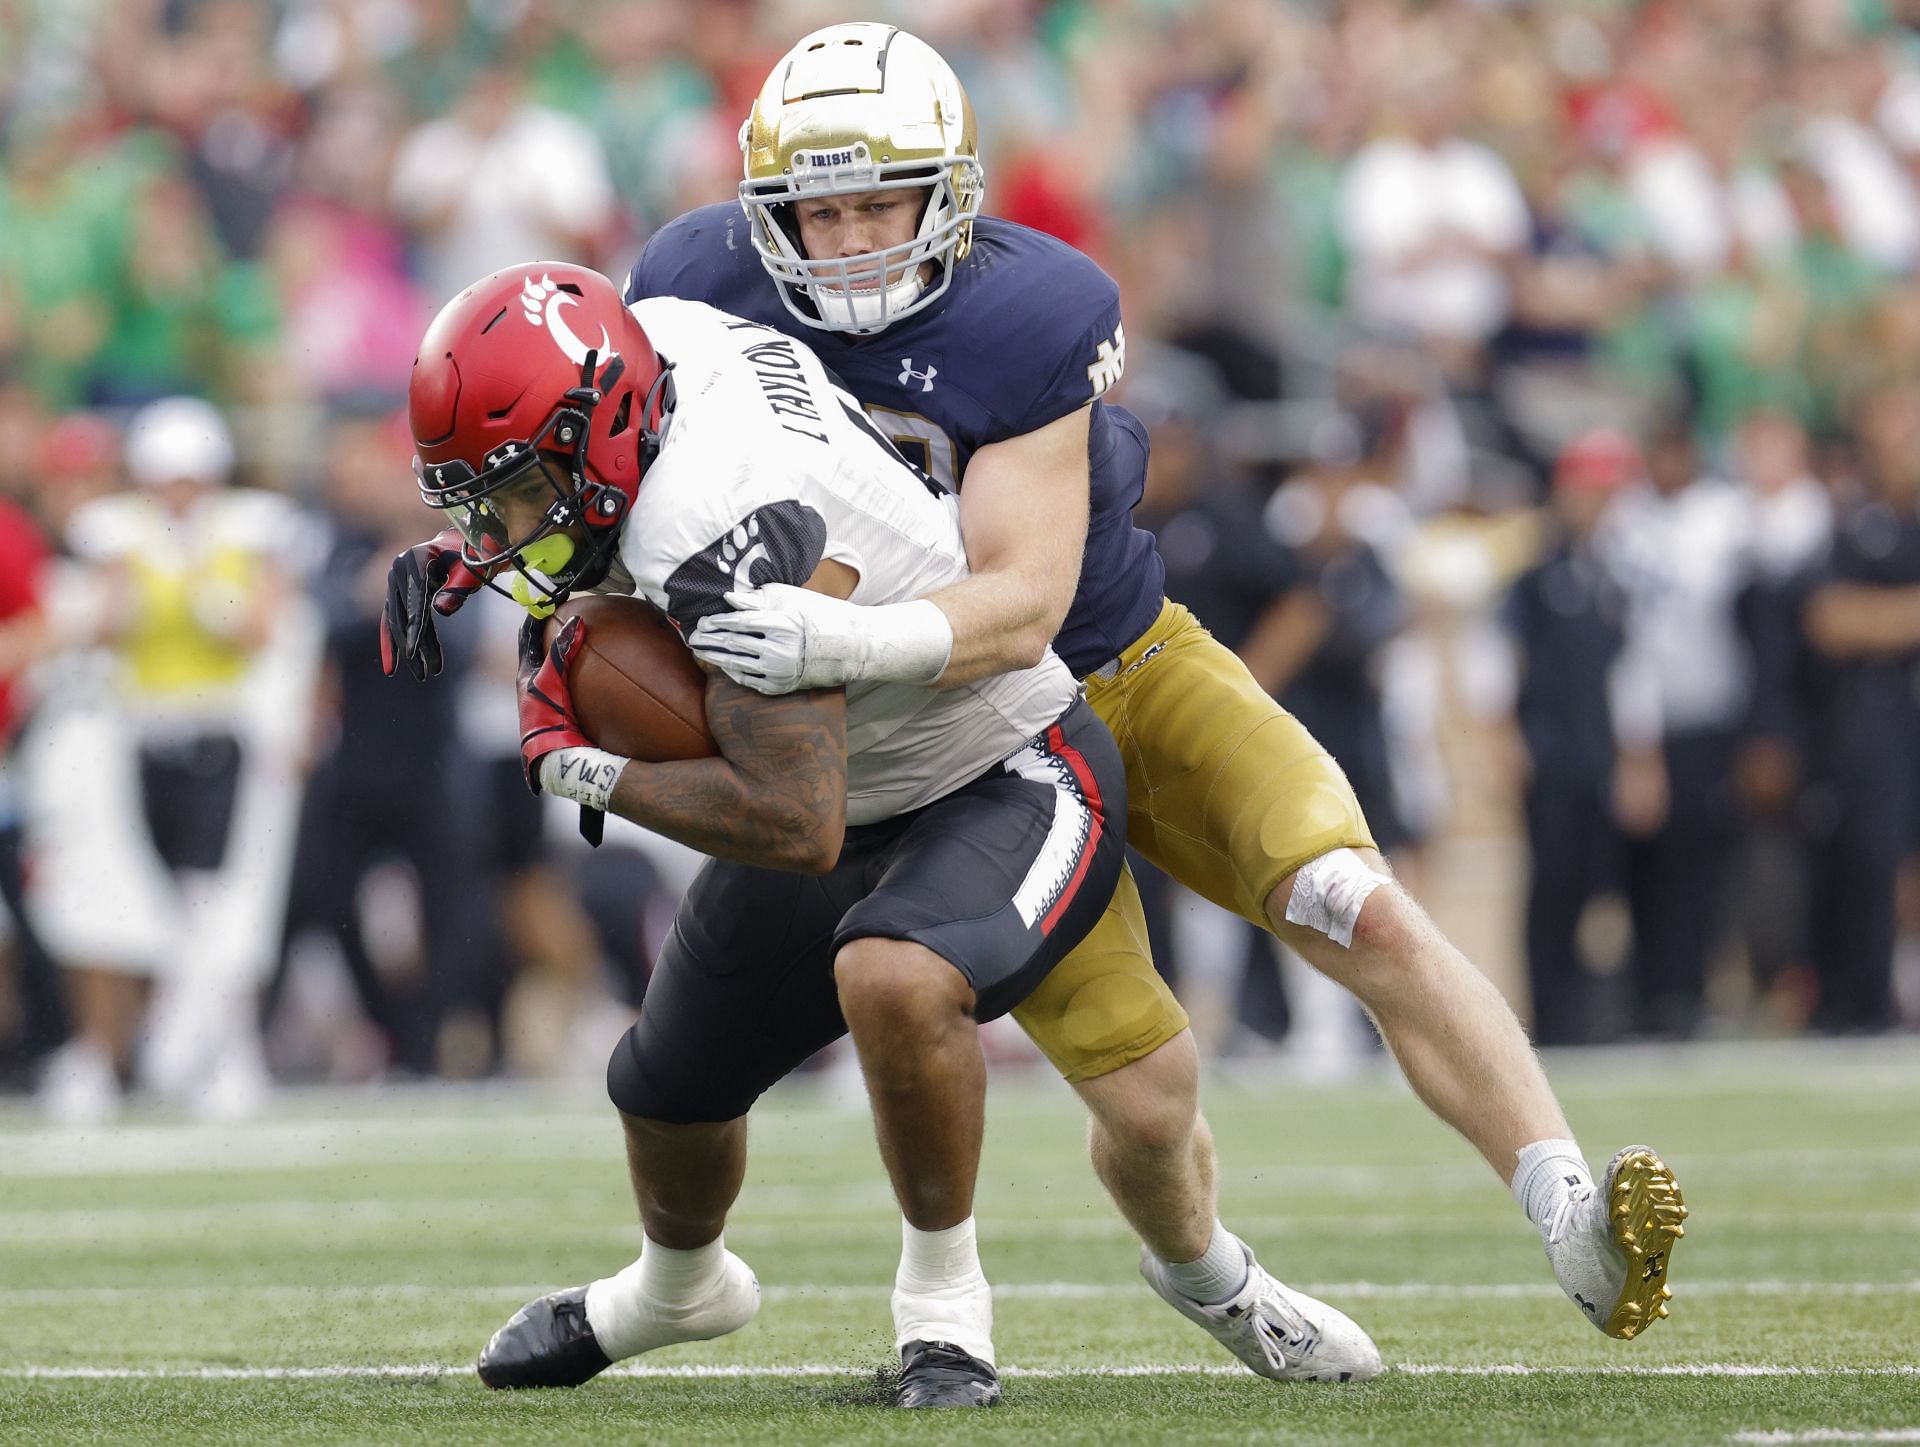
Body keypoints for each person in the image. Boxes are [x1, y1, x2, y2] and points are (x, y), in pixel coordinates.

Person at [635, 22, 1685, 1346]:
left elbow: (1019, 601)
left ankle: (1572, 1211)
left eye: (875, 205)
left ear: (948, 195)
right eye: (816, 210)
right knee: (1147, 1107)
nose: (844, 242)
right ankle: (1211, 1275)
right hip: (976, 752)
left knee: (1352, 898)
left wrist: (827, 647)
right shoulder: (692, 291)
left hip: (1118, 660)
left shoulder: (1031, 308)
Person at [379, 261, 1188, 1406]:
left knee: (895, 977)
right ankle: (673, 1289)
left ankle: (945, 1313)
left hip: (1000, 766)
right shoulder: (656, 339)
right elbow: (597, 496)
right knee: (664, 1082)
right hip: (858, 776)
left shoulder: (712, 527)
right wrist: (480, 550)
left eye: (511, 493)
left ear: (600, 431)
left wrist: (583, 768)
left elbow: (795, 824)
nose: (500, 525)